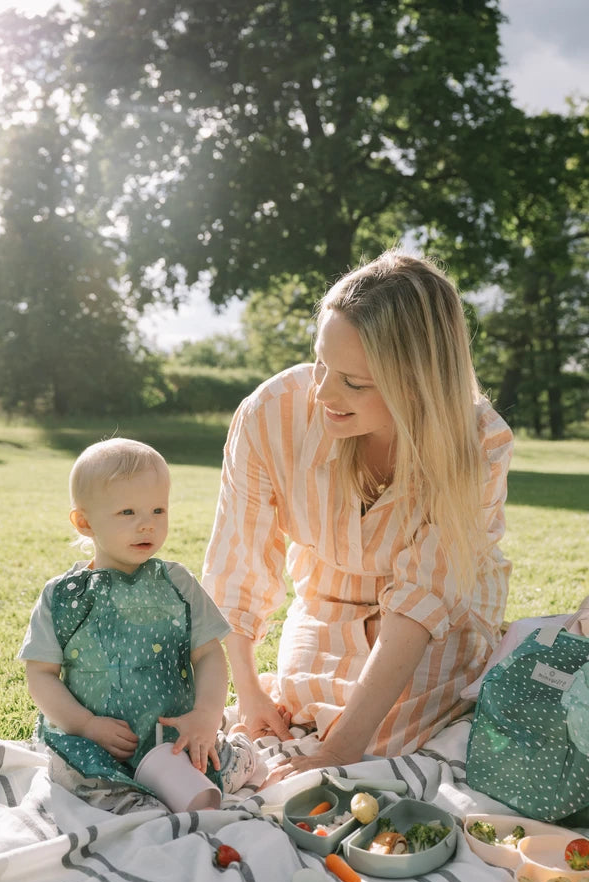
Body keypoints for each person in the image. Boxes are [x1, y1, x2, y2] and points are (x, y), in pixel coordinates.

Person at [202, 248, 513, 783]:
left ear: (417, 382)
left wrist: (340, 750)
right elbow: (237, 565)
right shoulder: (269, 414)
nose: (322, 391)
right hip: (326, 601)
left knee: (389, 737)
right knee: (302, 706)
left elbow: (422, 601)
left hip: (433, 622)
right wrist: (249, 694)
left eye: (354, 382)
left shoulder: (477, 442)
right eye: (321, 362)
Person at [18, 438, 256, 812]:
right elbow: (40, 675)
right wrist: (84, 725)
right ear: (84, 522)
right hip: (96, 744)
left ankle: (236, 753)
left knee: (216, 770)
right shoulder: (63, 597)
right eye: (128, 512)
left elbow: (209, 653)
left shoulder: (177, 584)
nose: (147, 524)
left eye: (158, 510)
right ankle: (129, 795)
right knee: (78, 783)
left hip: (174, 739)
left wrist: (207, 716)